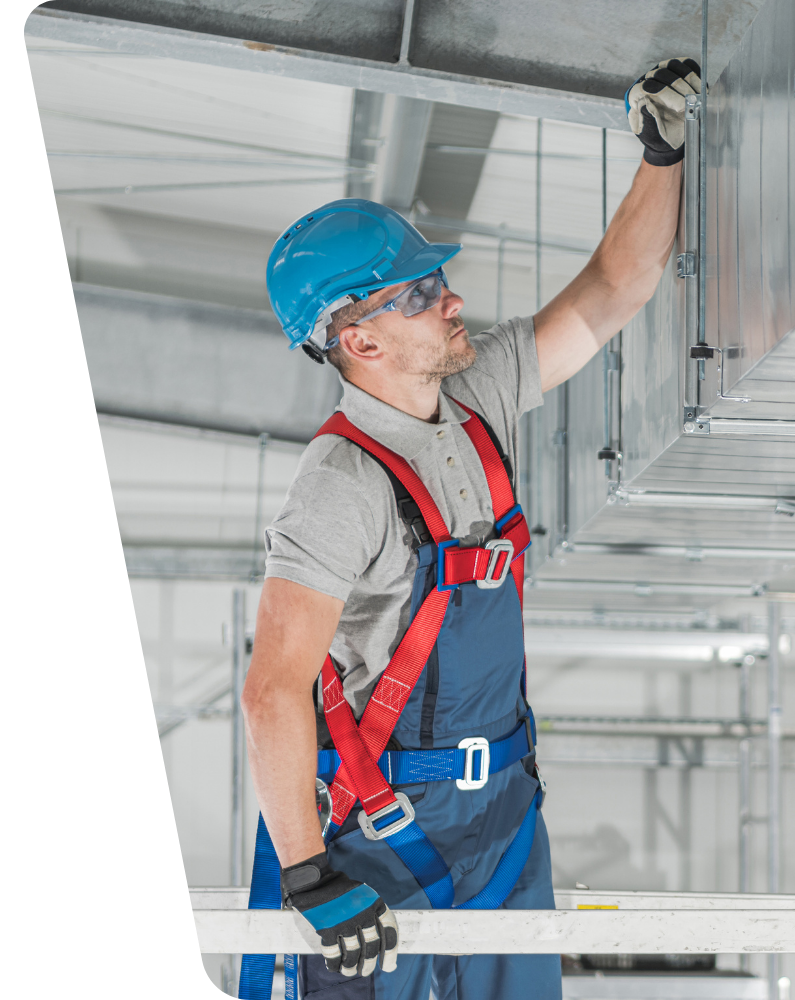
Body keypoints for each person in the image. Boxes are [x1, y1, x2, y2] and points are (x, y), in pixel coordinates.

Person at [239, 58, 701, 1000]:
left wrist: (661, 153)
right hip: (375, 833)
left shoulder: (477, 394)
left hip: (502, 815)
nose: (450, 300)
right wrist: (307, 878)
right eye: (418, 293)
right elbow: (272, 690)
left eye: (437, 279)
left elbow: (615, 286)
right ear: (358, 339)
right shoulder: (342, 482)